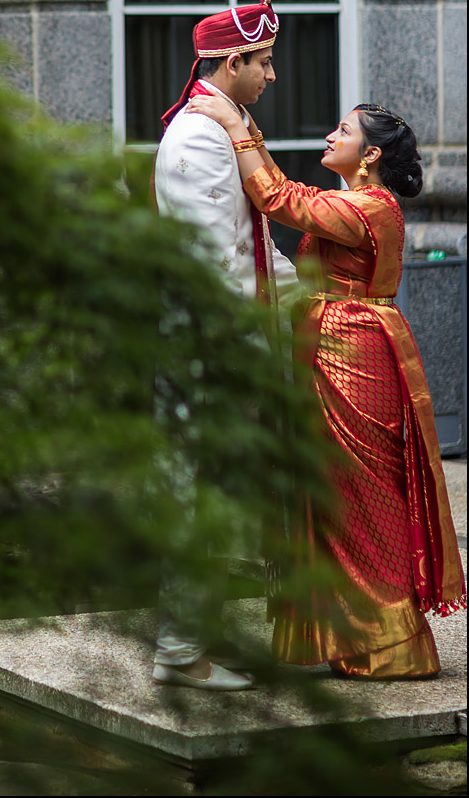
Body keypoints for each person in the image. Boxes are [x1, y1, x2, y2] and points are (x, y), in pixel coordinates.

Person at [185, 92, 466, 678]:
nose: (332, 136)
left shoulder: (371, 208)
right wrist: (248, 130)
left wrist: (235, 125)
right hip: (338, 347)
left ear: (370, 156)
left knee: (361, 499)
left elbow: (279, 198)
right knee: (337, 498)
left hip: (355, 356)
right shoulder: (362, 200)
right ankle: (355, 642)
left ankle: (389, 645)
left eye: (344, 130)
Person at [151, 0, 300, 692]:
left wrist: (309, 301)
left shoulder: (230, 121)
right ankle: (181, 654)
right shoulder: (196, 134)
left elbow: (259, 241)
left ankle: (203, 640)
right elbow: (214, 261)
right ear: (231, 60)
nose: (272, 75)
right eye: (263, 62)